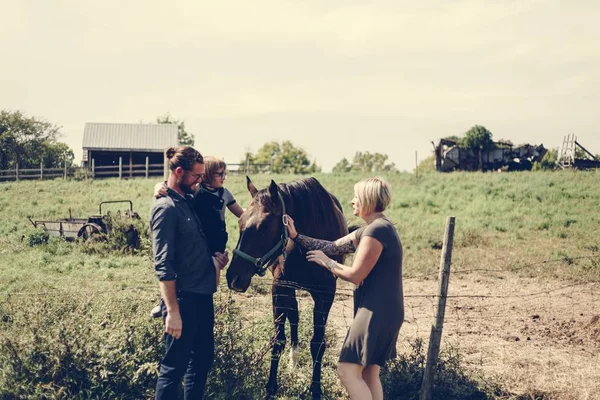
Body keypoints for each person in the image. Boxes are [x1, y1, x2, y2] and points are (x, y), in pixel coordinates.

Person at [285, 177, 403, 400]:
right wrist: (296, 236)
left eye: (356, 197)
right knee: (369, 373)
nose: (351, 201)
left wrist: (327, 262)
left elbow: (355, 275)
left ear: (368, 200)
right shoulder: (373, 230)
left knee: (347, 371)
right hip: (385, 310)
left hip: (374, 312)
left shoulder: (376, 232)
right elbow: (330, 246)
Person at [151, 146, 229, 400]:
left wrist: (216, 258)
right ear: (179, 172)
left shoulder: (190, 201)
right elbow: (163, 264)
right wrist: (172, 311)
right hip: (182, 299)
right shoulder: (166, 208)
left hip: (203, 294)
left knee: (203, 359)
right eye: (196, 176)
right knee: (174, 367)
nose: (199, 181)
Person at [150, 156, 243, 317]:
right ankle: (165, 301)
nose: (223, 178)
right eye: (219, 174)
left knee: (212, 281)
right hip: (199, 239)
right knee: (182, 273)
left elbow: (242, 214)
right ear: (207, 174)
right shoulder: (195, 189)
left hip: (217, 241)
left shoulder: (225, 193)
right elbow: (168, 186)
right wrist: (158, 186)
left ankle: (206, 309)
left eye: (224, 174)